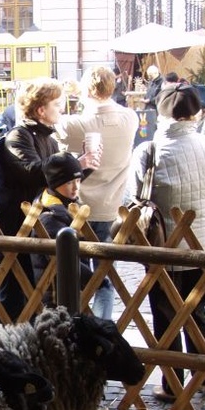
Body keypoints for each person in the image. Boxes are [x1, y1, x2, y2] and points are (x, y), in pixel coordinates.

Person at [131, 83, 205, 403]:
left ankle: (171, 383)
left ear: (161, 113)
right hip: (203, 248)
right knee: (197, 312)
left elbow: (134, 199)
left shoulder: (147, 151)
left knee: (165, 317)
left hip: (162, 249)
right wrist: (203, 221)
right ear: (196, 113)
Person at [0, 77, 97, 323]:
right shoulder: (18, 136)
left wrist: (82, 169)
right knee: (11, 301)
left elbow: (58, 184)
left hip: (39, 231)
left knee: (32, 302)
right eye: (57, 104)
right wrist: (76, 163)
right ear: (41, 109)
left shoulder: (50, 139)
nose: (61, 109)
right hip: (15, 230)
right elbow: (33, 171)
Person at [56, 65, 138, 319]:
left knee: (73, 276)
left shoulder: (76, 123)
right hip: (111, 206)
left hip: (79, 208)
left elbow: (57, 140)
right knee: (103, 276)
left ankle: (76, 326)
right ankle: (104, 325)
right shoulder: (130, 118)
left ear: (85, 90)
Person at [31, 152, 94, 307]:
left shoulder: (66, 206)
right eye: (69, 183)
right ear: (55, 183)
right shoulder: (49, 216)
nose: (76, 187)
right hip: (56, 293)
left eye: (78, 180)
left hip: (68, 290)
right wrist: (94, 279)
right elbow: (63, 259)